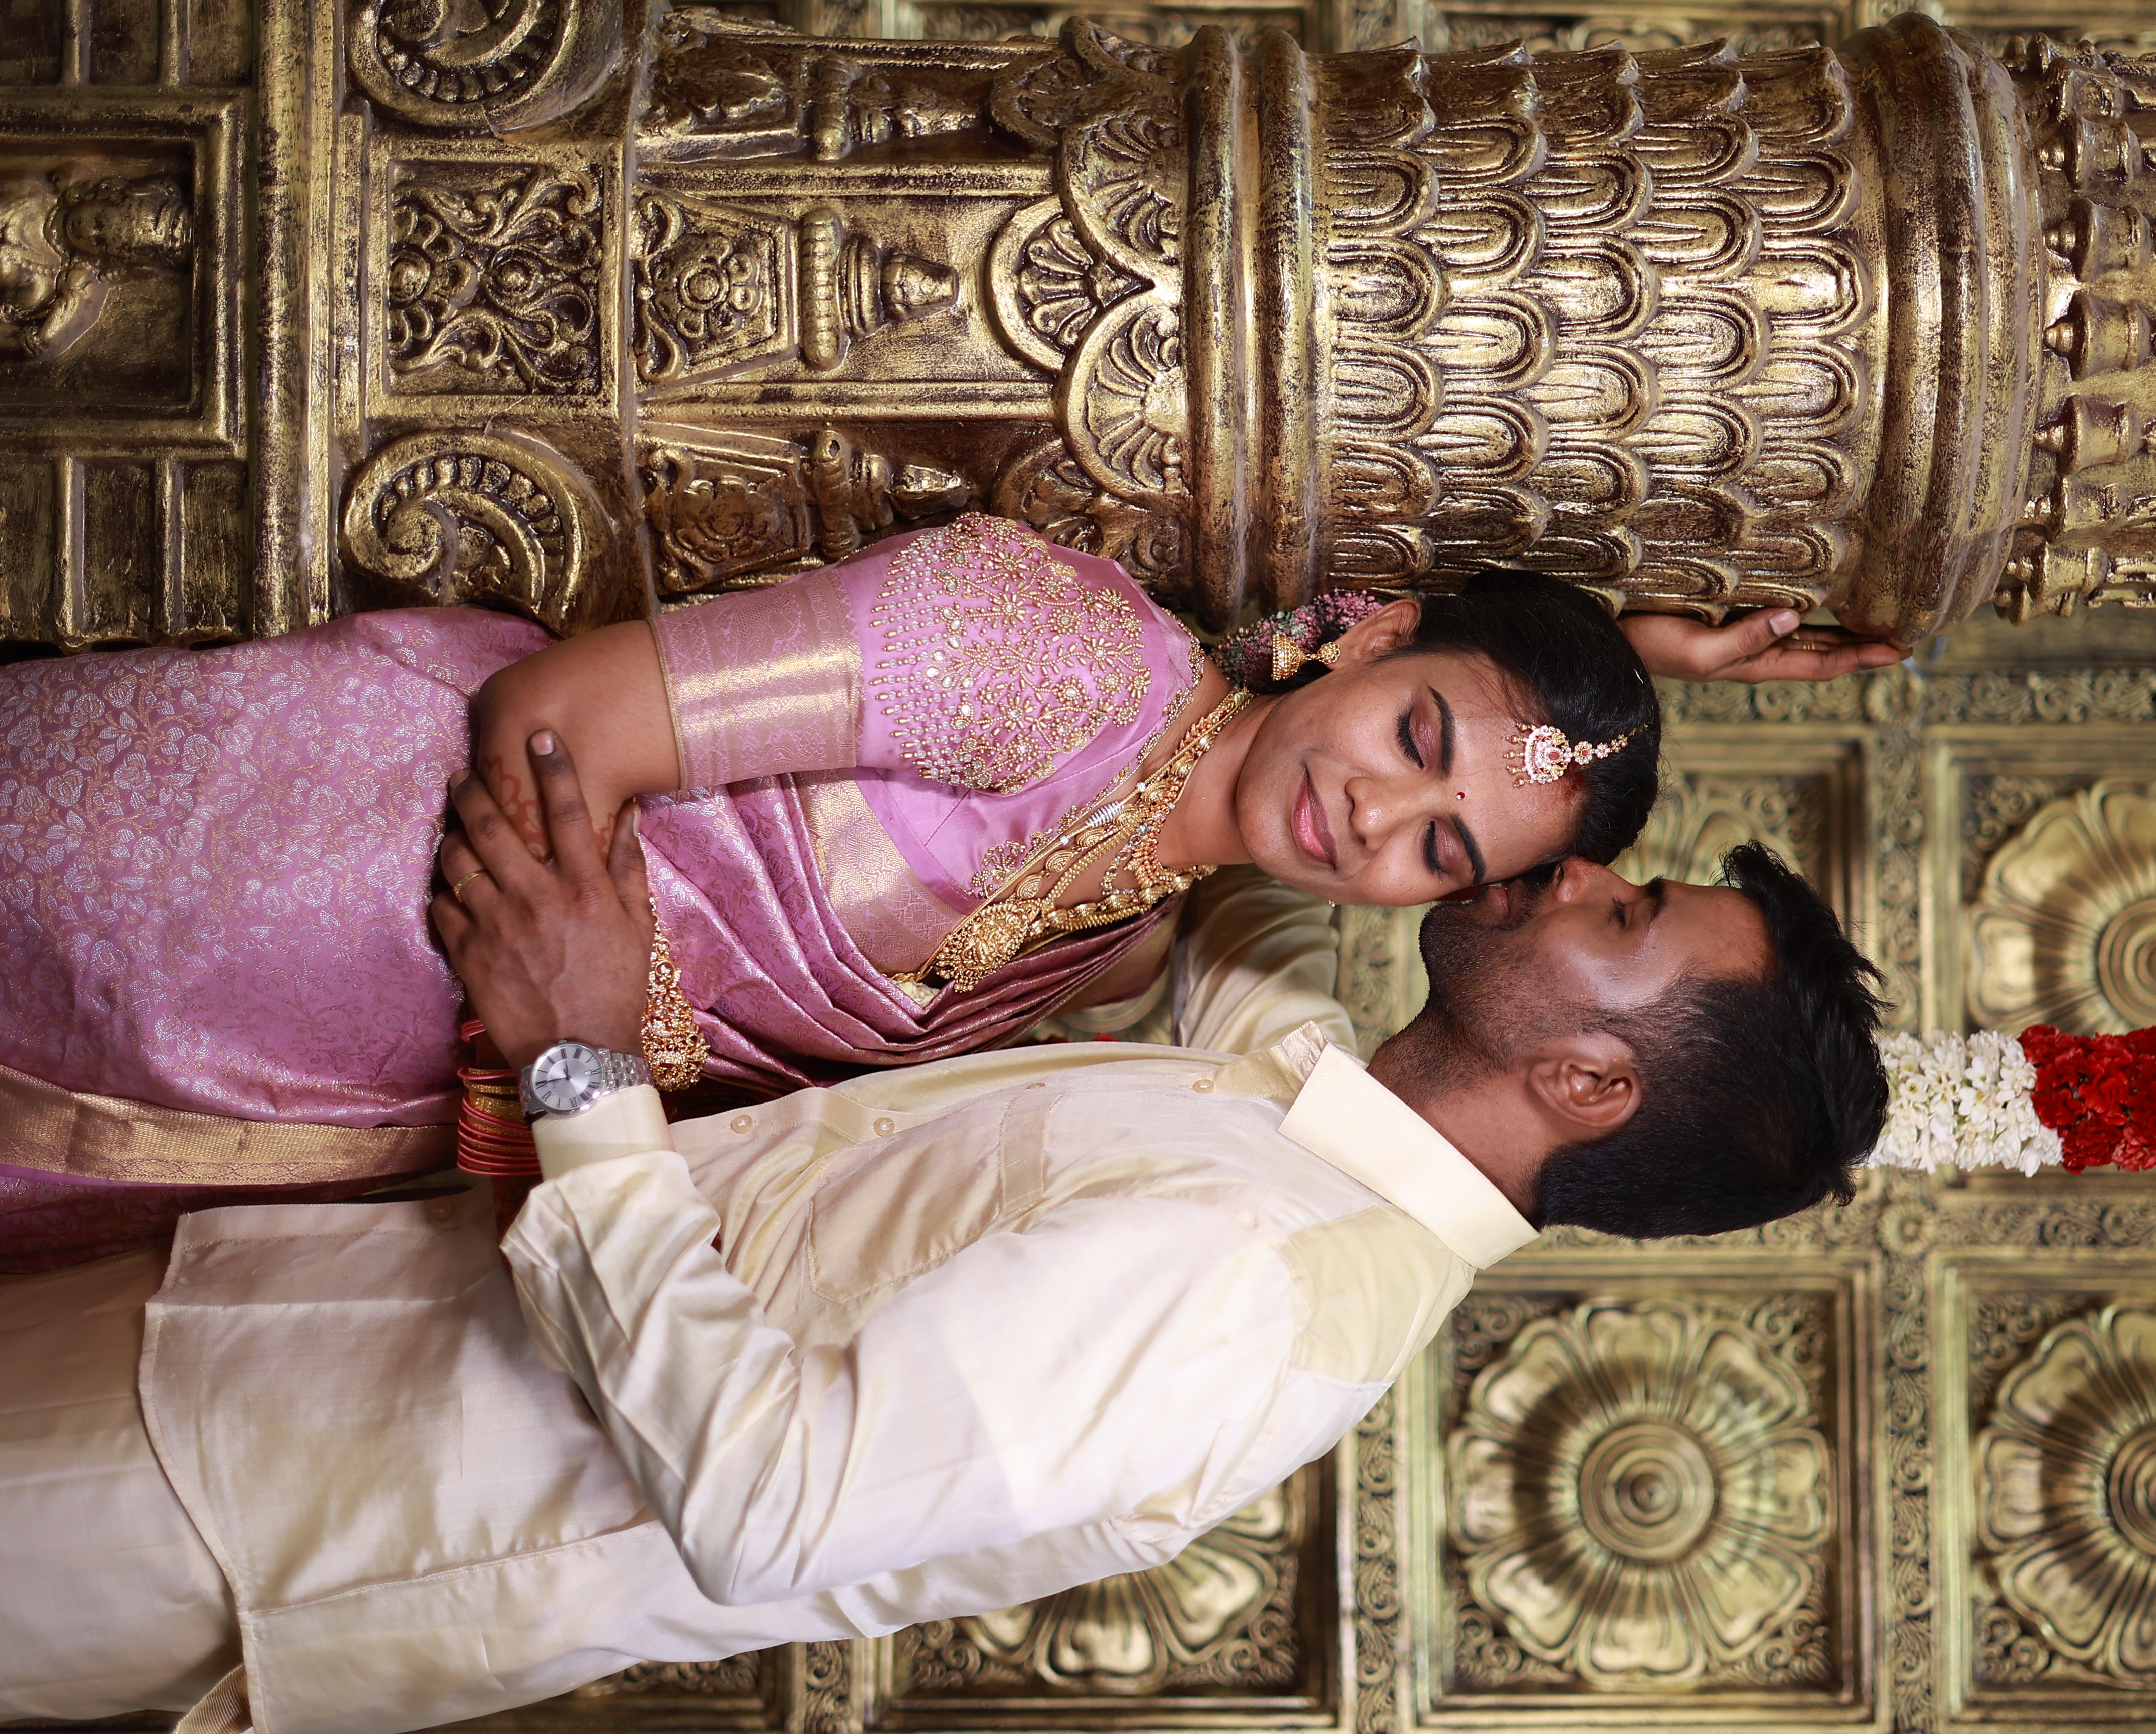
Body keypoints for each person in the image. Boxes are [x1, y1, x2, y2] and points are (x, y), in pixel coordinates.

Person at [0, 728, 1890, 1733]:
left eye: (1623, 921)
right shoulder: (1318, 1121)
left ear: (1586, 1089)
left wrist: (579, 1057)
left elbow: (771, 1501)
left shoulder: (1263, 1290)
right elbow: (1267, 903)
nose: (1572, 869)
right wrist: (1565, 687)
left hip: (275, 1499)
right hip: (269, 1332)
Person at [0, 498, 1893, 1267]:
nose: (1377, 824)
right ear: (1363, 636)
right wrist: (581, 1048)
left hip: (366, 1094)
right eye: (1414, 739)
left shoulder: (1137, 937)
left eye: (1447, 851)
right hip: (299, 857)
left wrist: (561, 1076)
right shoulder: (1057, 651)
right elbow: (558, 717)